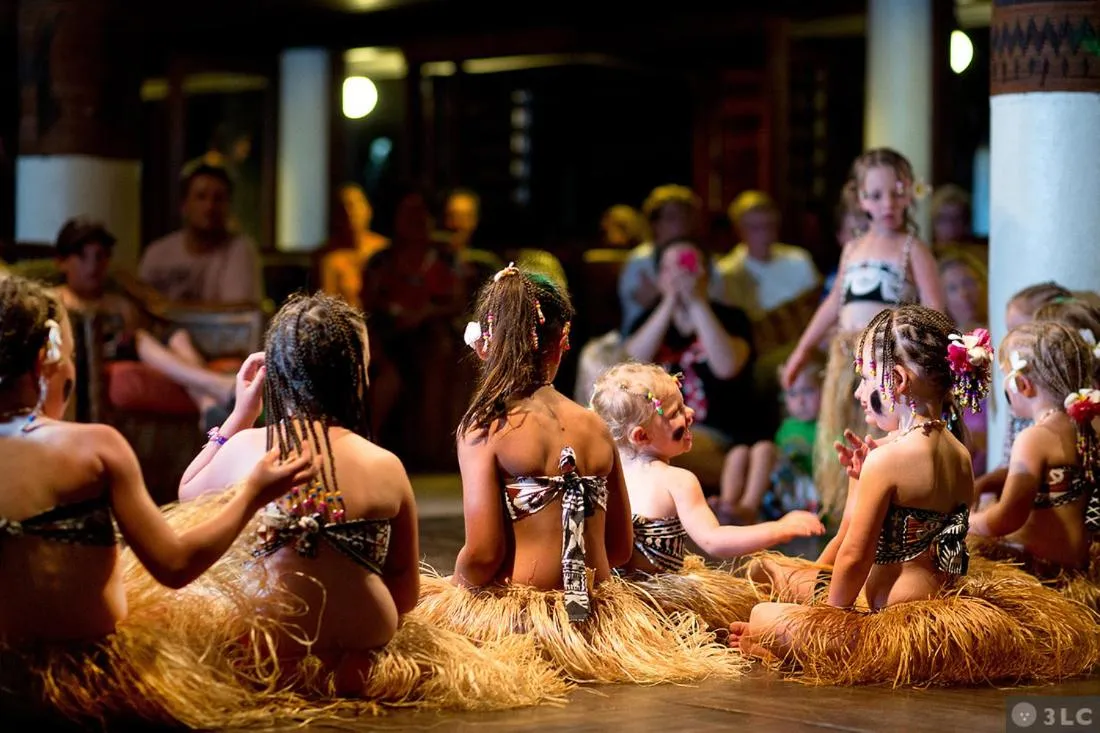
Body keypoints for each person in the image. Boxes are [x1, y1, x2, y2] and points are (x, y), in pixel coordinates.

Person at [153, 292, 565, 710]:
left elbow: (188, 489)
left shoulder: (246, 448)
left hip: (269, 657)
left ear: (275, 376)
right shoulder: (383, 465)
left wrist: (241, 412)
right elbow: (404, 596)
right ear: (356, 376)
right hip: (362, 658)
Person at [0, 275, 319, 727]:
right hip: (85, 686)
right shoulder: (96, 449)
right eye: (70, 359)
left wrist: (234, 420)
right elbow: (175, 566)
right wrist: (252, 493)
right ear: (44, 362)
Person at [730, 305, 1098, 686]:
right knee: (784, 583)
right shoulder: (959, 455)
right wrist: (858, 484)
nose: (860, 390)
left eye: (868, 377)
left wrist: (826, 618)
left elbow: (855, 556)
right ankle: (786, 641)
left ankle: (793, 647)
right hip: (935, 611)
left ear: (898, 380)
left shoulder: (888, 459)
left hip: (885, 619)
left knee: (762, 612)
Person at [412, 265, 742, 684]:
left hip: (523, 624)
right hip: (601, 624)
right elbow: (620, 548)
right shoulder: (596, 427)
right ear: (563, 340)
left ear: (484, 346)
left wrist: (457, 597)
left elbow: (482, 556)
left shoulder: (485, 428)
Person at [589, 362, 823, 629]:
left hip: (620, 608)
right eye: (676, 412)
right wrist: (780, 528)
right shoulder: (677, 480)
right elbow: (714, 541)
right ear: (641, 436)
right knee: (761, 598)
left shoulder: (605, 477)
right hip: (665, 609)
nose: (689, 413)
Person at [781, 148, 945, 522]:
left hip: (886, 361)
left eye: (896, 191)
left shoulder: (913, 249)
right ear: (860, 199)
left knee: (878, 430)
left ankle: (883, 508)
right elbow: (834, 301)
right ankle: (845, 510)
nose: (887, 203)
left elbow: (935, 310)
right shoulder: (853, 248)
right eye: (875, 195)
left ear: (910, 193)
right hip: (845, 358)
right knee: (843, 431)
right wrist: (802, 351)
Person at [968, 321, 1100, 613]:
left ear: (1022, 385)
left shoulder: (1034, 438)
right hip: (1079, 568)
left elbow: (1007, 518)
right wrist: (988, 481)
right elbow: (1049, 478)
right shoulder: (1088, 424)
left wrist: (969, 522)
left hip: (1040, 574)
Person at [624, 238, 758, 491]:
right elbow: (631, 365)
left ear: (706, 273)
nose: (680, 275)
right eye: (670, 269)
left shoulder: (732, 319)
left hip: (722, 435)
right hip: (662, 434)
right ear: (659, 277)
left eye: (688, 267)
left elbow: (726, 367)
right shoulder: (646, 321)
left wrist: (696, 302)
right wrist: (669, 302)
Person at [974, 281, 1075, 503]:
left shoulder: (1080, 405)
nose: (1011, 340)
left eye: (1020, 331)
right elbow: (1012, 465)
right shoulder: (1020, 398)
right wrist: (981, 485)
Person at [714, 356, 826, 524]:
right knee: (739, 452)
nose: (800, 401)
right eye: (792, 393)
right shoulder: (787, 426)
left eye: (808, 390)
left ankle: (749, 508)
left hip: (807, 492)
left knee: (764, 448)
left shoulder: (827, 425)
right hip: (780, 489)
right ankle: (727, 504)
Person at [714, 190, 820, 320]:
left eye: (769, 226)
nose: (765, 234)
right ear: (739, 230)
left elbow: (816, 306)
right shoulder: (726, 272)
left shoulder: (799, 259)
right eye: (755, 228)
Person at [317, 183, 390, 310]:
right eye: (344, 207)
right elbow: (327, 309)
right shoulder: (330, 258)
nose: (350, 212)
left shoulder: (383, 248)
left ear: (368, 209)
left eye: (355, 205)